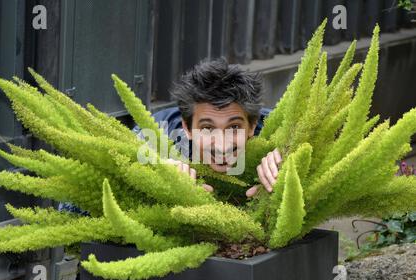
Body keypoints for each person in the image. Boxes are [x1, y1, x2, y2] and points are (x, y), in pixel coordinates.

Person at [59, 58, 282, 210]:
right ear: (187, 127)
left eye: (233, 128)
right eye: (207, 128)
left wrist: (289, 161)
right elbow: (70, 205)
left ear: (252, 125)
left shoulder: (277, 130)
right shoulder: (156, 135)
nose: (222, 146)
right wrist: (152, 180)